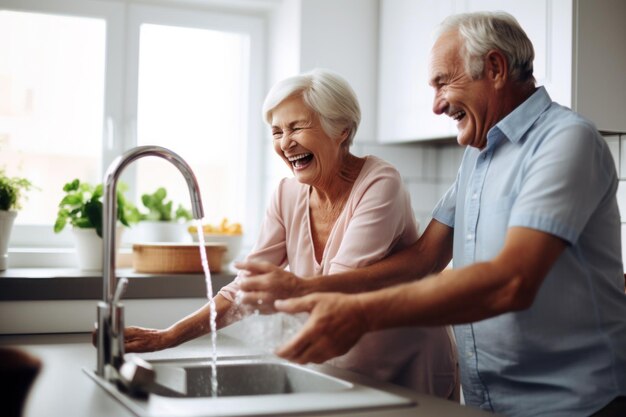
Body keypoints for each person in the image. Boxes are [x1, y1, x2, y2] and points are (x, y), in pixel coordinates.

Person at [237, 12, 626, 417]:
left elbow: (511, 282)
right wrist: (305, 289)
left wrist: (362, 312)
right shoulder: (479, 155)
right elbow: (423, 259)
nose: (437, 104)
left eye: (443, 82)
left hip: (574, 403)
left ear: (494, 68)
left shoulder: (564, 141)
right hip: (488, 401)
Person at [122, 68, 459, 399]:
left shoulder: (380, 182)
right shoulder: (286, 194)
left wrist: (289, 291)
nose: (285, 143)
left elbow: (345, 283)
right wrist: (168, 336)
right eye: (276, 131)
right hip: (344, 364)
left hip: (408, 362)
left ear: (341, 129)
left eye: (297, 127)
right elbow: (245, 287)